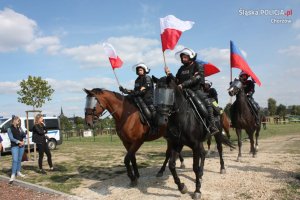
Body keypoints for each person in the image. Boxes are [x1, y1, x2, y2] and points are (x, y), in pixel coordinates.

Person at [164, 47, 219, 136]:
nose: (183, 59)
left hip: (195, 90)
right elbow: (176, 81)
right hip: (182, 91)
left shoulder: (198, 66)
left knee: (208, 103)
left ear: (191, 57)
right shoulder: (181, 68)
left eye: (185, 57)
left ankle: (212, 125)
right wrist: (169, 74)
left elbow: (196, 78)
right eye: (182, 57)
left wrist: (183, 85)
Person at [119, 63, 157, 134]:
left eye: (141, 70)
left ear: (144, 70)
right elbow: (135, 90)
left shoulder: (147, 78)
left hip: (148, 99)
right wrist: (125, 90)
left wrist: (134, 93)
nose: (139, 71)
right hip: (139, 98)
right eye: (138, 70)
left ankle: (154, 127)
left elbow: (142, 90)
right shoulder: (137, 80)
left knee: (149, 113)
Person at [7, 115, 26, 183]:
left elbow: (24, 135)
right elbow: (11, 138)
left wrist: (23, 141)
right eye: (18, 120)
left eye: (19, 120)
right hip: (14, 146)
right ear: (14, 120)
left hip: (21, 146)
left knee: (19, 159)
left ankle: (18, 171)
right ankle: (13, 174)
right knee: (15, 160)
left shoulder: (20, 128)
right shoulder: (9, 129)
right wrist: (18, 142)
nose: (19, 121)